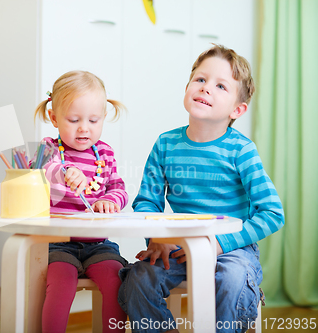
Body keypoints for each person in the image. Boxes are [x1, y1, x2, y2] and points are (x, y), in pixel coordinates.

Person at [118, 45, 284, 333]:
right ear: (187, 87)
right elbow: (147, 201)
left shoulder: (241, 150)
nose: (206, 88)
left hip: (232, 249)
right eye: (201, 80)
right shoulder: (166, 144)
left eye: (220, 85)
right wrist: (157, 237)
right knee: (139, 280)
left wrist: (221, 244)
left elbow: (272, 213)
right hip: (181, 246)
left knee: (233, 278)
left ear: (237, 109)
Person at [34, 70, 128, 332]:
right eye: (74, 119)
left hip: (98, 243)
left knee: (115, 279)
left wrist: (110, 200)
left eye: (93, 120)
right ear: (53, 117)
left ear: (104, 118)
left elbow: (118, 187)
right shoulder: (48, 148)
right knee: (62, 282)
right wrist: (62, 172)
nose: (84, 128)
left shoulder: (105, 154)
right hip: (57, 243)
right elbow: (38, 171)